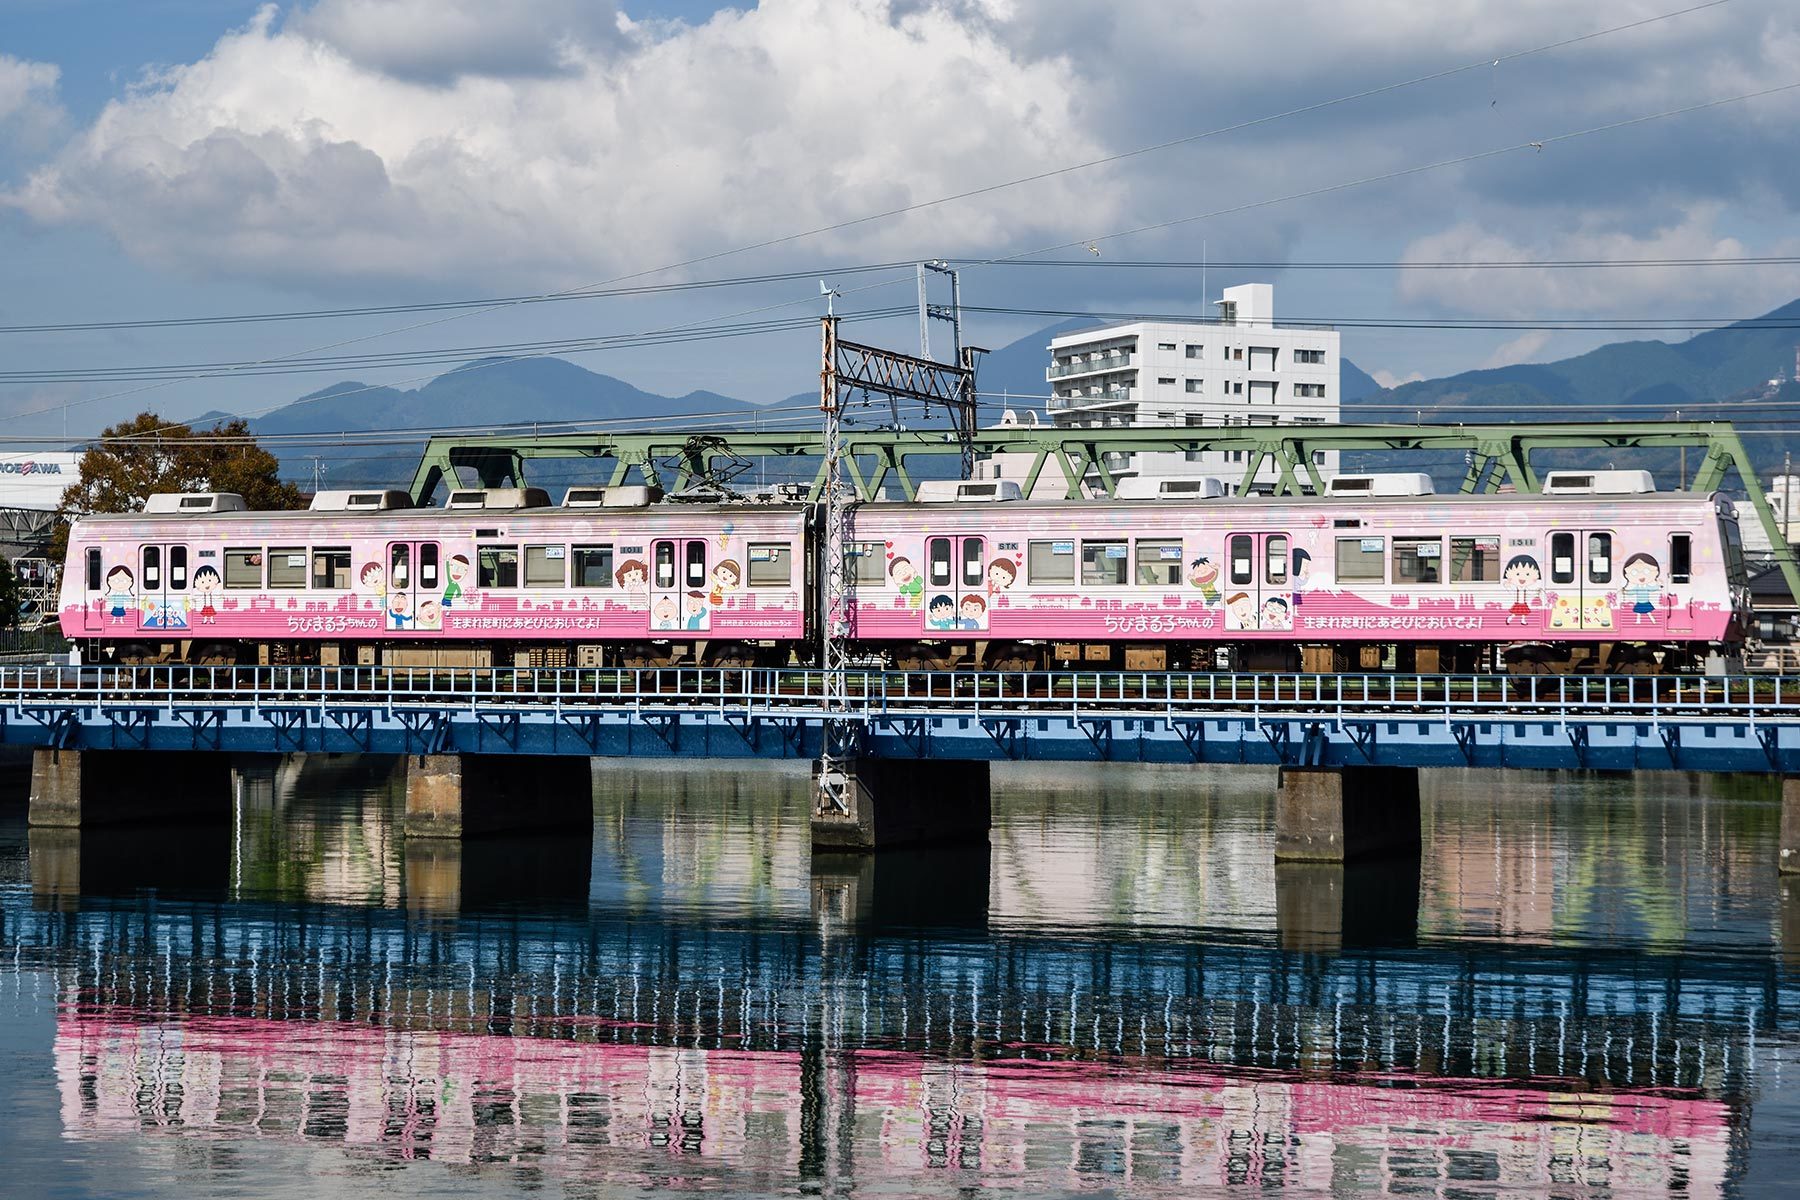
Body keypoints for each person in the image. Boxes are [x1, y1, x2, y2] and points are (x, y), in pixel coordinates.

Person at [1619, 553, 1663, 625]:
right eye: (1634, 572)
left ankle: (1653, 620)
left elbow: (1652, 588)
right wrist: (1625, 591)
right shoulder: (1637, 587)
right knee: (1639, 612)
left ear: (1656, 572)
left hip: (1646, 602)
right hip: (1640, 603)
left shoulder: (1646, 586)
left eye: (1647, 571)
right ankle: (1639, 621)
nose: (1641, 576)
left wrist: (1659, 586)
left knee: (1648, 612)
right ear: (1626, 575)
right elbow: (1632, 592)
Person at [1502, 554, 1542, 626]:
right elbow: (1509, 589)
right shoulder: (1517, 588)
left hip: (1523, 603)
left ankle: (1522, 621)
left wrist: (1536, 592)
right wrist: (1507, 584)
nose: (1522, 578)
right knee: (1515, 613)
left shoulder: (1525, 588)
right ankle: (1509, 619)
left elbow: (1529, 593)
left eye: (1527, 574)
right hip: (1518, 603)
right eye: (1517, 574)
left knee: (1523, 613)